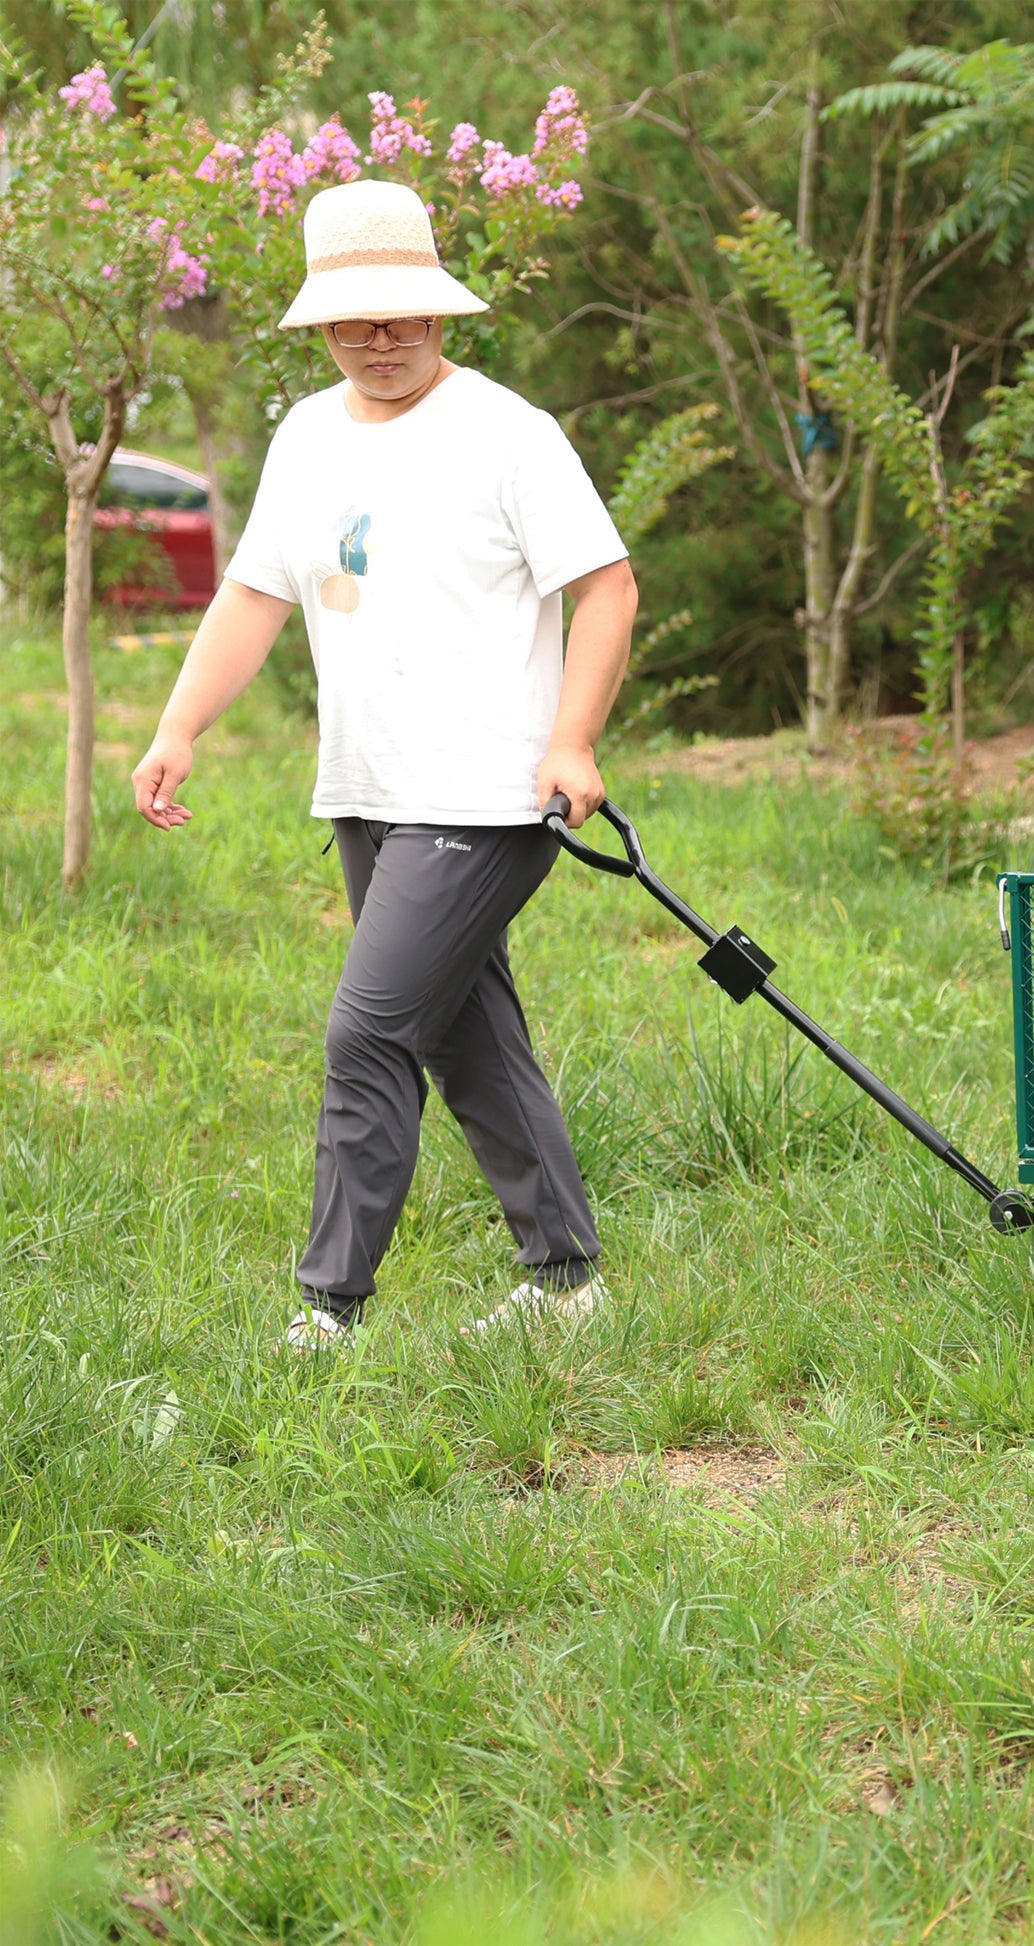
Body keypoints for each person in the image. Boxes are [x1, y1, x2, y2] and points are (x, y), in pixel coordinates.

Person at [131, 180, 639, 1350]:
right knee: (468, 1036)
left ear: (439, 309)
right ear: (319, 322)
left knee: (367, 1033)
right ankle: (565, 1280)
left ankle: (328, 1309)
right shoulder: (308, 432)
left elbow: (604, 584)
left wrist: (570, 740)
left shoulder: (509, 431)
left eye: (401, 312)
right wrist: (178, 725)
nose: (380, 336)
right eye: (355, 318)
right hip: (366, 787)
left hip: (488, 793)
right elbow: (256, 592)